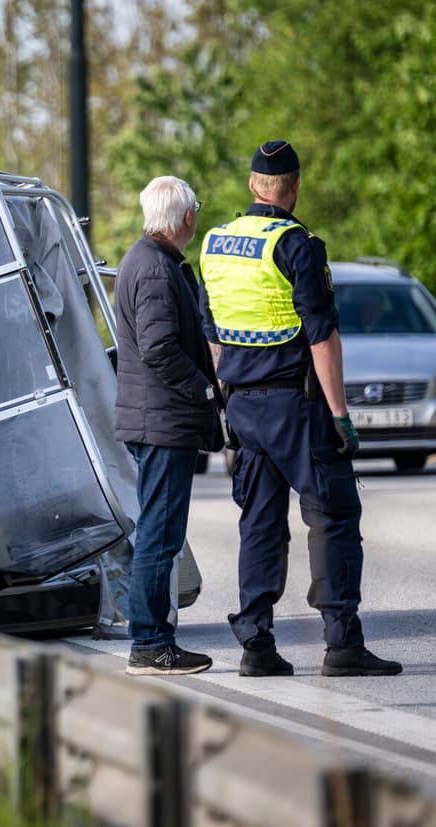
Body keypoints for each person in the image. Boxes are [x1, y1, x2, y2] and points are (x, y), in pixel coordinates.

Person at [198, 140, 402, 678]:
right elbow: (322, 335)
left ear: (252, 186)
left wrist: (228, 400)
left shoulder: (216, 242)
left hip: (242, 406)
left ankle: (256, 647)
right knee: (333, 518)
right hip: (298, 407)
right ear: (295, 187)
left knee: (260, 524)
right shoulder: (299, 244)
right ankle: (342, 646)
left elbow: (212, 333)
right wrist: (341, 415)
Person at [113, 176, 221, 676]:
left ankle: (152, 641)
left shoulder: (146, 258)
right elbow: (159, 349)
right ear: (186, 218)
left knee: (158, 532)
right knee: (159, 535)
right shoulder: (157, 268)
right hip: (163, 422)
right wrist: (204, 387)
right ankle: (151, 643)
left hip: (154, 419)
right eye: (194, 209)